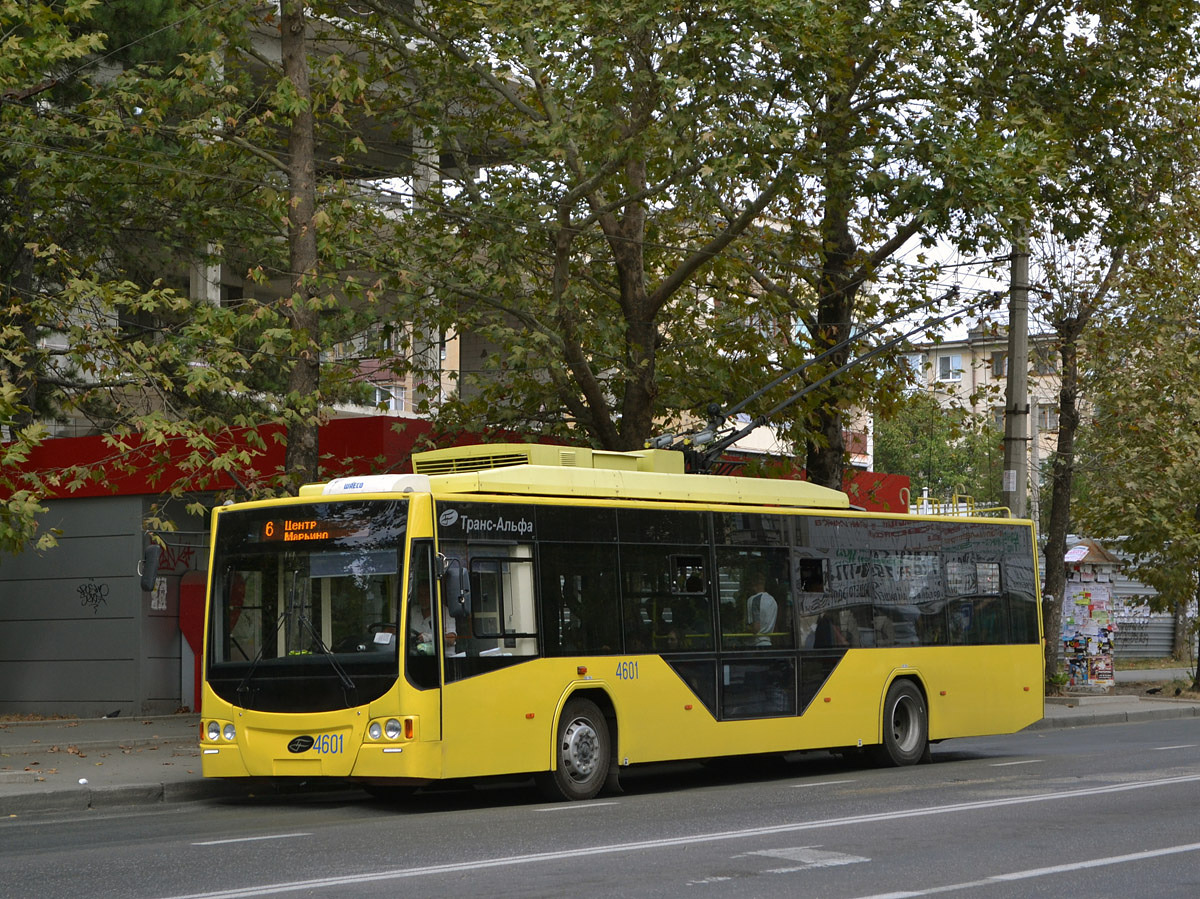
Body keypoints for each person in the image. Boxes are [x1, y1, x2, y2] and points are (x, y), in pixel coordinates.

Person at [409, 582, 456, 654]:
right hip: (418, 656)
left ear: (433, 595)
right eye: (420, 595)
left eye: (426, 594)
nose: (423, 598)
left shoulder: (444, 611)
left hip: (443, 659)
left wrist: (429, 638)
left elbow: (451, 639)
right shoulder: (413, 611)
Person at [746, 571, 777, 647]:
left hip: (757, 644)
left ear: (753, 584)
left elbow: (756, 627)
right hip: (769, 643)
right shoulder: (773, 600)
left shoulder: (753, 600)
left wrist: (746, 629)